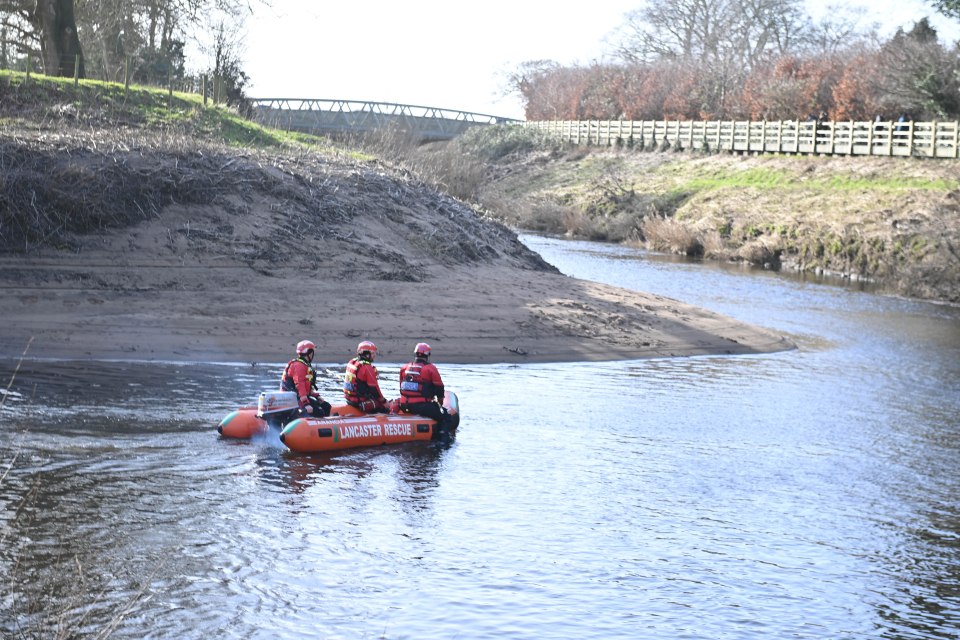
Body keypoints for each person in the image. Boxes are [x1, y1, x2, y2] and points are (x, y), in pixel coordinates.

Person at [398, 342, 449, 438]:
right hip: (422, 407)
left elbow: (401, 386)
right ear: (428, 355)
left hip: (404, 405)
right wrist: (440, 402)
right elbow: (439, 387)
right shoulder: (430, 369)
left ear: (415, 354)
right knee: (445, 418)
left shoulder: (404, 368)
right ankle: (443, 441)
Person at [280, 339, 331, 417]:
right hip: (295, 399)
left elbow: (306, 386)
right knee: (320, 411)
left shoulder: (302, 364)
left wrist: (316, 396)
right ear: (309, 353)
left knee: (326, 406)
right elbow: (299, 385)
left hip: (296, 397)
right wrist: (306, 404)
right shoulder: (299, 366)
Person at [343, 340, 388, 413]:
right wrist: (384, 401)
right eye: (373, 353)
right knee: (383, 408)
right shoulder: (367, 368)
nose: (374, 355)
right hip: (360, 402)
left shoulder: (352, 362)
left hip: (349, 400)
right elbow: (374, 389)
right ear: (366, 354)